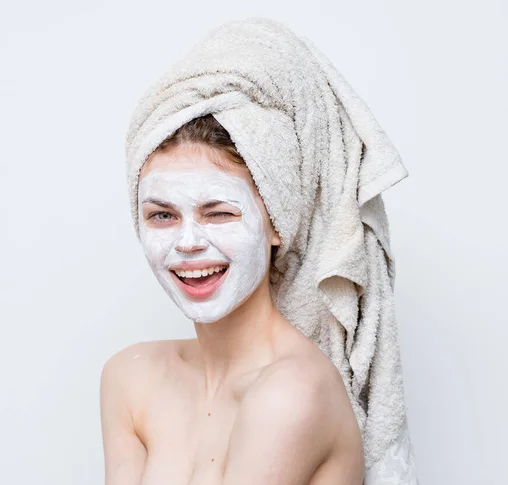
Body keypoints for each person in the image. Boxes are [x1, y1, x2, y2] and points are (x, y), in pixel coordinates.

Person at [100, 114, 365, 485]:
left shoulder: (293, 390)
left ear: (276, 223)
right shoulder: (132, 376)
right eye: (163, 215)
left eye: (219, 213)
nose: (187, 242)